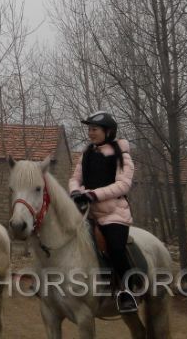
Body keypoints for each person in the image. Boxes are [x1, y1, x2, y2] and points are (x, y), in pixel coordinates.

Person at [69, 110, 138, 314]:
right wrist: (75, 192)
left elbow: (123, 185)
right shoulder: (87, 153)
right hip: (86, 213)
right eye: (89, 129)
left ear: (108, 131)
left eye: (95, 129)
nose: (90, 133)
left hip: (114, 214)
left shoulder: (121, 155)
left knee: (116, 249)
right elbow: (75, 178)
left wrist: (93, 194)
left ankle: (128, 291)